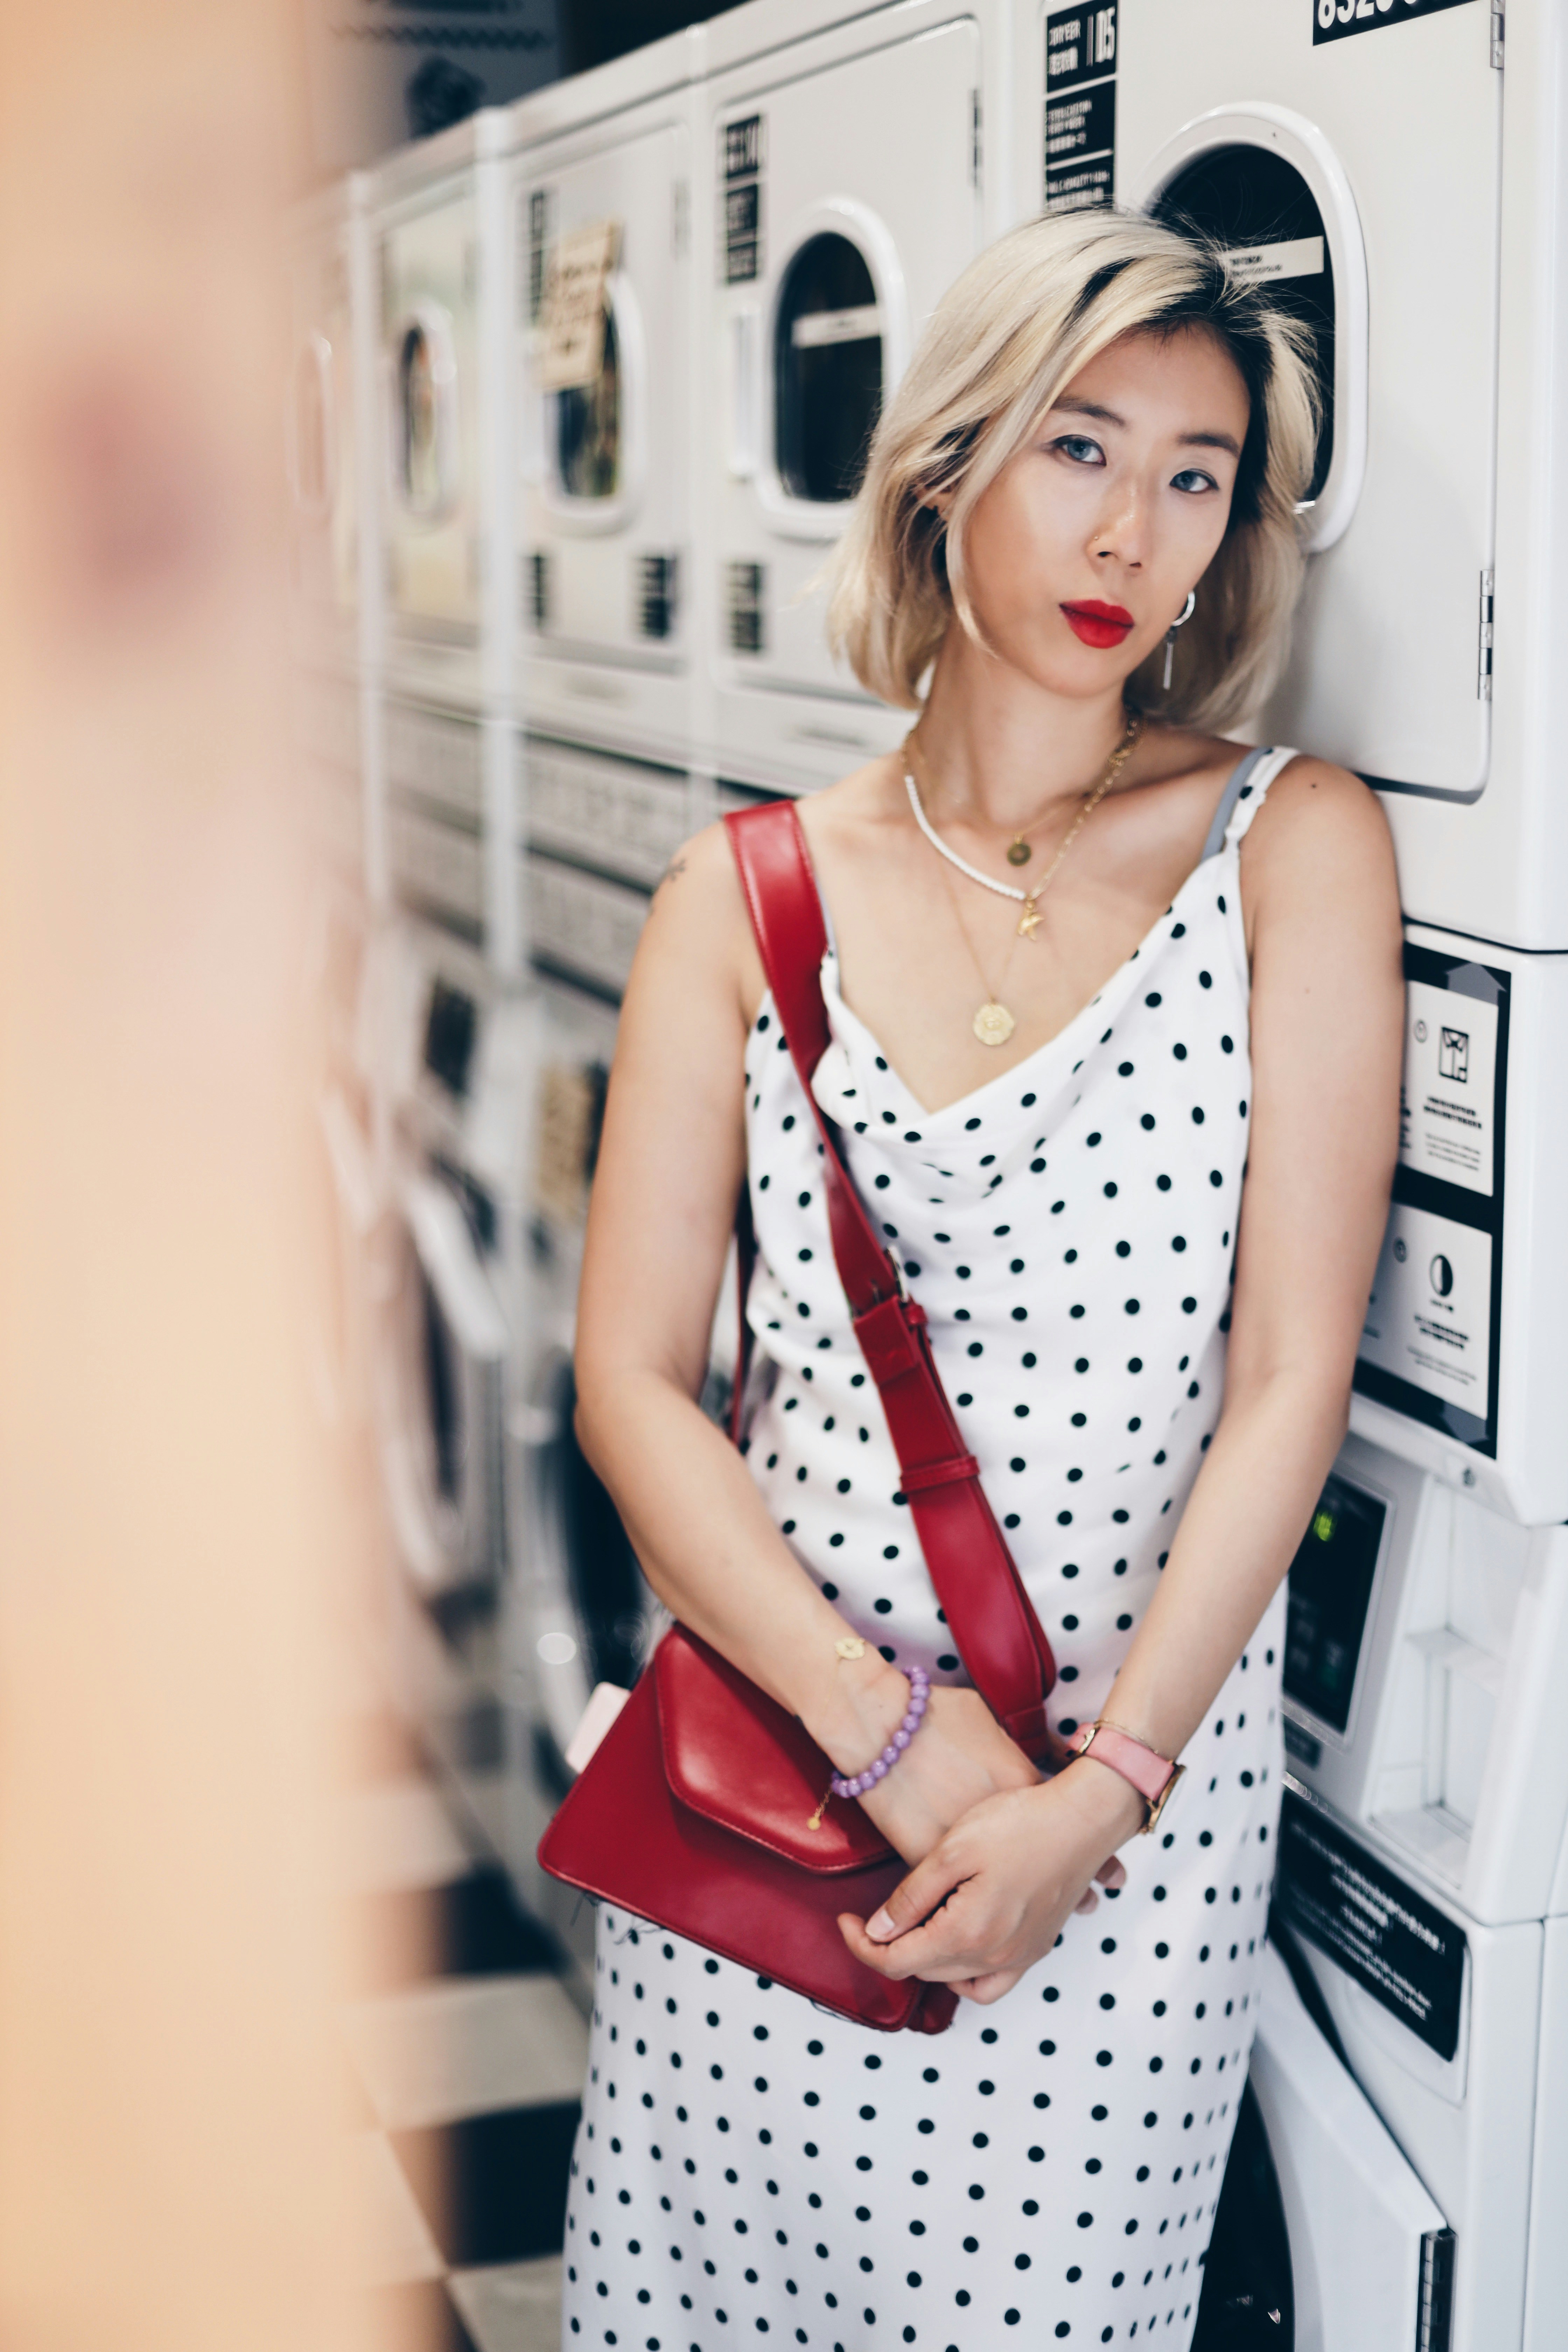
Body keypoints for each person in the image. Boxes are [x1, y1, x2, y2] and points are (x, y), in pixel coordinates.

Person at [561, 209, 1402, 2350]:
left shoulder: (1290, 845)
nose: (1139, 525)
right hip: (787, 1779)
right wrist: (885, 1735)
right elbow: (634, 1387)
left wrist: (1096, 1795)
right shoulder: (733, 898)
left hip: (1121, 1835)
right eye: (1079, 445)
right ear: (945, 466)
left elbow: (1290, 1377)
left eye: (1198, 472)